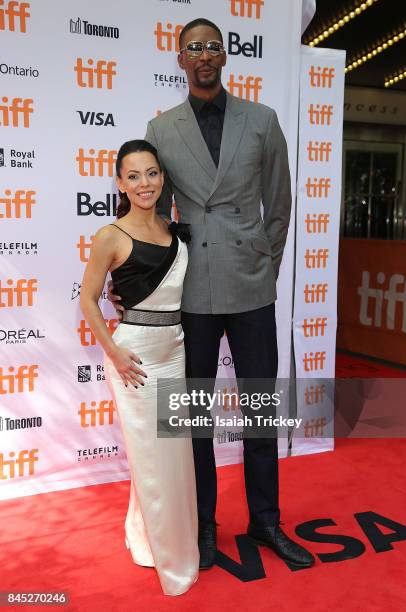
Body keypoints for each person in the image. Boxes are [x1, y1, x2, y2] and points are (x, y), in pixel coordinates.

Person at [110, 18, 314, 570]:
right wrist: (138, 280)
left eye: (213, 46)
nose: (204, 55)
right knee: (193, 419)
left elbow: (280, 202)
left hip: (251, 283)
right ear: (180, 60)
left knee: (259, 410)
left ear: (225, 56)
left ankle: (266, 521)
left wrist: (265, 264)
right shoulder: (162, 127)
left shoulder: (263, 120)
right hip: (192, 289)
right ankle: (203, 526)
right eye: (193, 47)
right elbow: (151, 213)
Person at [80, 139, 199, 596]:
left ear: (162, 177)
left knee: (171, 456)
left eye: (151, 173)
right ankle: (173, 560)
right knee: (153, 461)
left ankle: (146, 536)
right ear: (120, 183)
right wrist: (113, 351)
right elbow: (89, 299)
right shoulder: (111, 235)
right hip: (136, 359)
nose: (144, 183)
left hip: (176, 351)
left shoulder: (175, 230)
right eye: (133, 176)